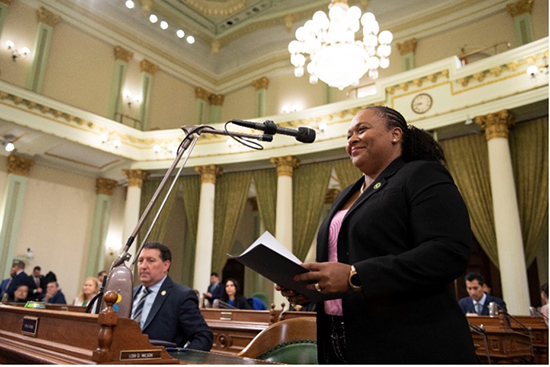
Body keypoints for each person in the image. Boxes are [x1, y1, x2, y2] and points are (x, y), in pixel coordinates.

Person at [279, 106, 477, 364]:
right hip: (341, 339)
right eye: (348, 135)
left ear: (395, 134)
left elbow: (449, 252)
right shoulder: (345, 194)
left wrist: (355, 276)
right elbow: (344, 260)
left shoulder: (421, 174)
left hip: (409, 341)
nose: (352, 139)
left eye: (361, 129)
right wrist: (312, 289)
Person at [132, 241, 213, 350]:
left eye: (150, 261)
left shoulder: (181, 296)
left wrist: (182, 360)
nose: (143, 266)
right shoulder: (131, 293)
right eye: (140, 261)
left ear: (166, 265)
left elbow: (203, 337)